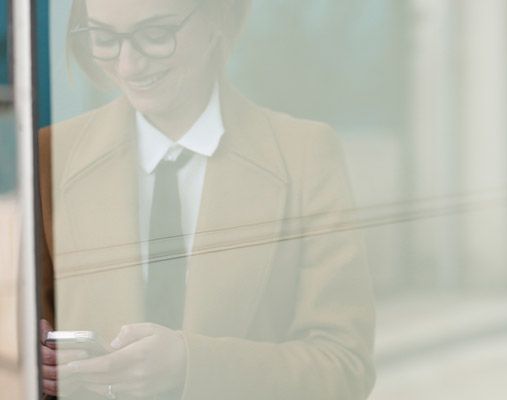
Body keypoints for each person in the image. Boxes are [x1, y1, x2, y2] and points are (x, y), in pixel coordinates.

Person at [38, 0, 375, 398]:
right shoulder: (51, 154)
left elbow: (345, 367)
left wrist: (192, 365)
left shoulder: (305, 155)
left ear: (218, 18)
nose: (128, 66)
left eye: (157, 34)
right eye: (104, 38)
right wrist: (37, 368)